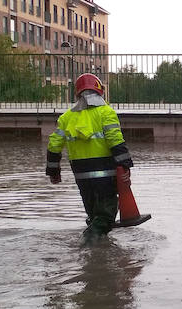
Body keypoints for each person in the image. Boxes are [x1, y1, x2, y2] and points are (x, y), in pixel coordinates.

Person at [47, 73, 134, 241]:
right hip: (105, 175)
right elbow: (115, 140)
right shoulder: (106, 112)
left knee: (93, 214)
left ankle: (95, 255)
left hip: (81, 176)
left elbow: (53, 145)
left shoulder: (66, 118)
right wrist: (125, 164)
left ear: (77, 93)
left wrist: (53, 171)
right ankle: (87, 245)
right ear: (100, 91)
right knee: (106, 217)